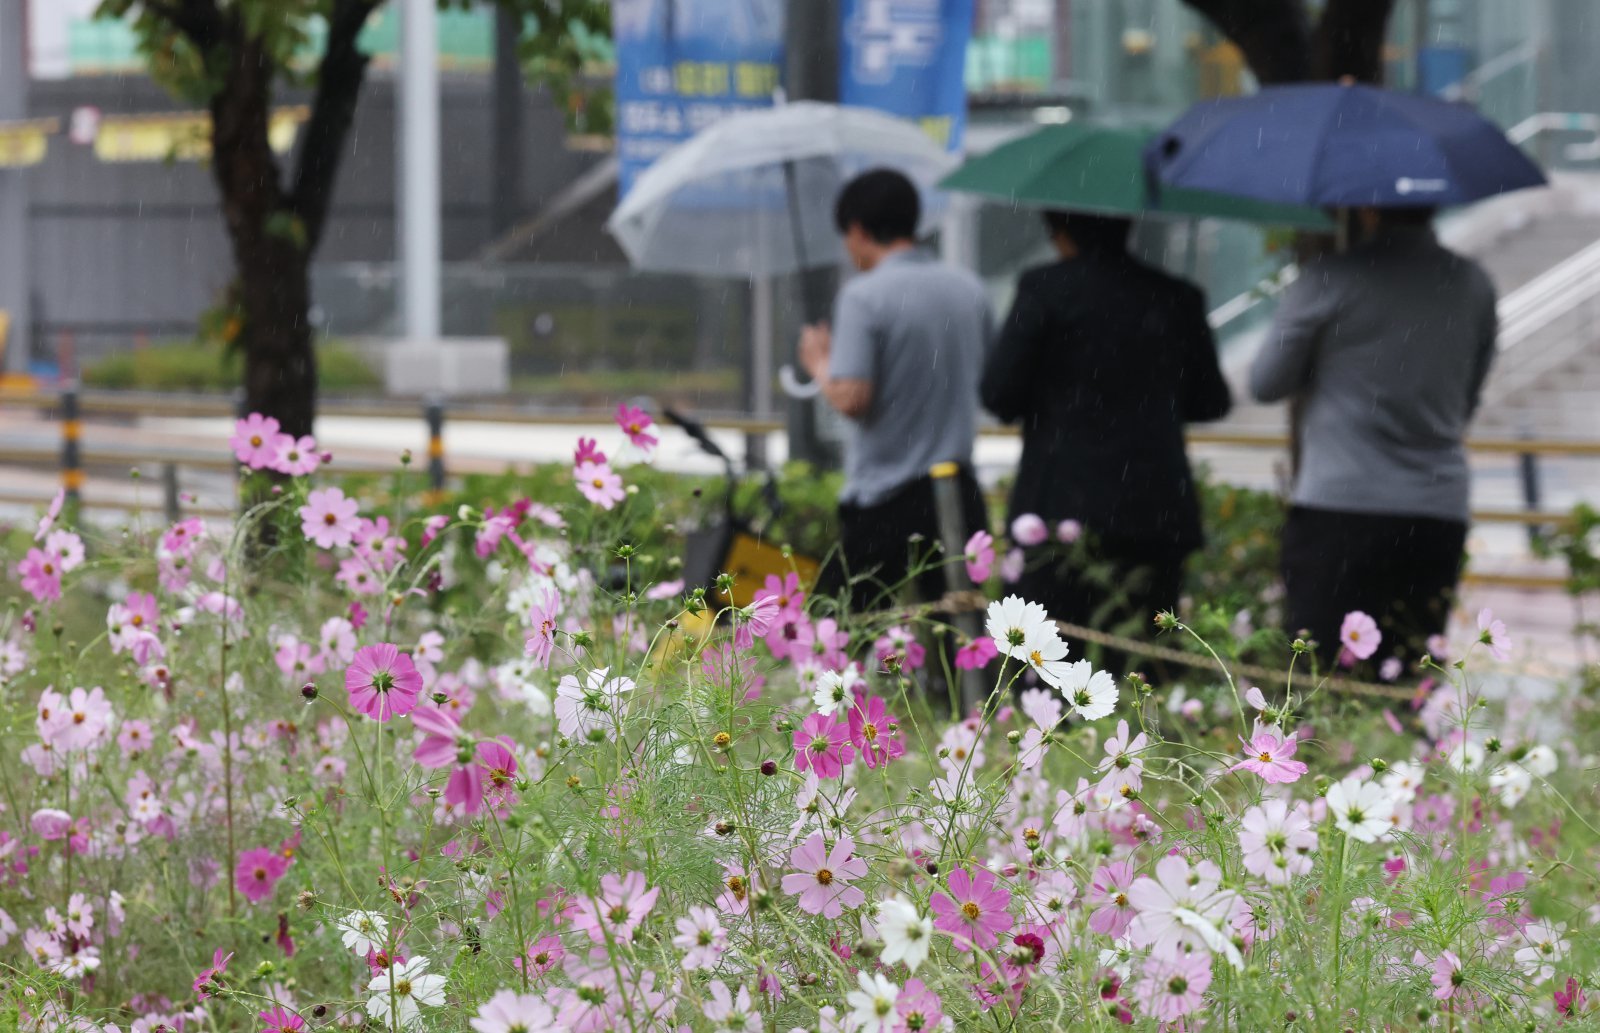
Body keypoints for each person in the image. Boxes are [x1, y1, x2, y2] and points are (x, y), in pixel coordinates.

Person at [980, 211, 1232, 671]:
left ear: (1059, 230)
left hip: (1058, 504)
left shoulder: (1043, 290)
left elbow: (998, 394)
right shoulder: (1177, 297)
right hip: (1153, 507)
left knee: (1045, 668)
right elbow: (1211, 401)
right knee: (1142, 668)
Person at [1252, 206, 1498, 671]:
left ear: (1364, 207)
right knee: (1409, 673)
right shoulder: (1473, 284)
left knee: (1318, 679)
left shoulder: (1331, 277)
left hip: (1339, 506)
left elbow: (1266, 383)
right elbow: (1466, 398)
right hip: (1435, 509)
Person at [799, 168, 991, 615]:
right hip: (957, 491)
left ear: (860, 230)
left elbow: (852, 398)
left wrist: (820, 362)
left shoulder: (864, 297)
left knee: (833, 632)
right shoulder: (969, 289)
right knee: (957, 636)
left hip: (885, 497)